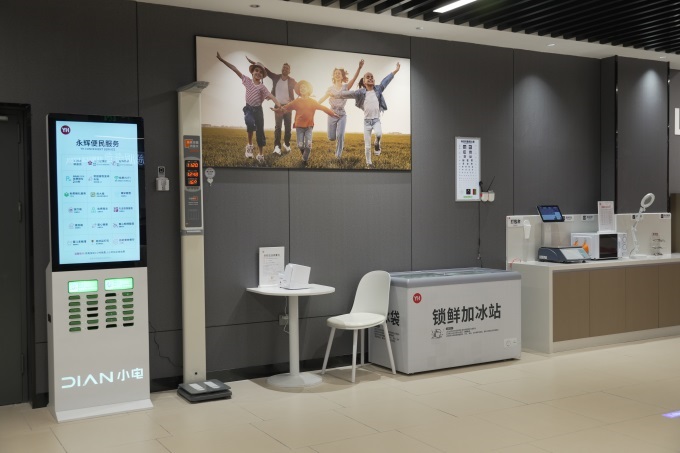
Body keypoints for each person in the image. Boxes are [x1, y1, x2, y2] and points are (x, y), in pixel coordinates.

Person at [331, 62, 400, 169]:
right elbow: (348, 94)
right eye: (368, 77)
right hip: (366, 122)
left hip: (376, 120)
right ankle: (369, 163)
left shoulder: (378, 89)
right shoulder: (360, 92)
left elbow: (386, 80)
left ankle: (377, 143)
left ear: (374, 81)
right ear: (364, 81)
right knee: (367, 145)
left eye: (372, 77)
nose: (370, 78)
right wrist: (335, 94)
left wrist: (395, 70)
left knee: (379, 133)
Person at [216, 52, 281, 164]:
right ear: (252, 72)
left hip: (258, 111)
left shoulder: (262, 87)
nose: (258, 73)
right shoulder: (247, 81)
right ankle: (250, 146)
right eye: (256, 70)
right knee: (249, 122)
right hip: (249, 108)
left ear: (262, 76)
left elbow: (272, 97)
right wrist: (222, 60)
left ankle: (260, 155)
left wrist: (279, 106)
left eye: (261, 72)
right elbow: (234, 69)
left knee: (260, 133)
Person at [273, 80, 339, 166]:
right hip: (299, 127)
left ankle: (304, 160)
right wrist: (277, 110)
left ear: (308, 90)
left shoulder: (312, 102)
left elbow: (322, 108)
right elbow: (286, 107)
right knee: (300, 145)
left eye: (304, 87)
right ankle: (304, 157)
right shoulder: (297, 101)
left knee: (308, 146)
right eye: (301, 87)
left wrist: (332, 114)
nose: (302, 88)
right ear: (299, 91)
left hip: (309, 127)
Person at [247, 57, 296, 156]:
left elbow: (299, 88)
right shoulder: (276, 77)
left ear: (289, 71)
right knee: (278, 127)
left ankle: (286, 144)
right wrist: (256, 63)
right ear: (281, 69)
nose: (285, 69)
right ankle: (277, 147)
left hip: (288, 107)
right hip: (278, 106)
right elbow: (267, 71)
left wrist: (305, 95)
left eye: (287, 68)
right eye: (284, 67)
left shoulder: (292, 81)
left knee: (288, 128)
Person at [318, 59, 364, 159]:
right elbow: (323, 98)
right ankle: (334, 139)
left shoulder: (345, 87)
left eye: (339, 73)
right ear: (333, 76)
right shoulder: (330, 89)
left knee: (340, 135)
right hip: (331, 113)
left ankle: (337, 156)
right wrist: (314, 105)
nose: (337, 74)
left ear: (342, 76)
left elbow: (354, 79)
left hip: (342, 114)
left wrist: (359, 68)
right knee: (331, 137)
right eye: (336, 73)